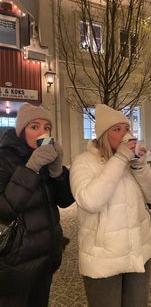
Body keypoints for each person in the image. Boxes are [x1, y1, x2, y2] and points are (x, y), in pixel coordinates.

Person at [70, 104, 151, 307]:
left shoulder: (132, 164)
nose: (125, 135)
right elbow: (90, 201)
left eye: (127, 129)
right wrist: (121, 158)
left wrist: (140, 167)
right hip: (103, 259)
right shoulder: (83, 162)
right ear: (104, 134)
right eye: (117, 130)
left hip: (139, 252)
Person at [0, 103, 74, 307]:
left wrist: (58, 171)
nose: (42, 132)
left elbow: (66, 201)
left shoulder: (46, 157)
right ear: (22, 130)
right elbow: (4, 210)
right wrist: (31, 168)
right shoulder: (4, 159)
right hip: (16, 262)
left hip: (46, 256)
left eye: (46, 127)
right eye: (35, 127)